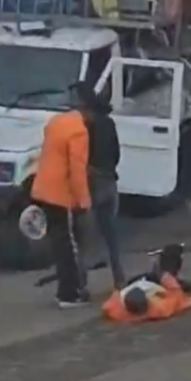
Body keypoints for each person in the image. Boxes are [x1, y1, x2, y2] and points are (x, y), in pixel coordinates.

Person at [30, 105, 91, 306]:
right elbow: (77, 170)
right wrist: (83, 200)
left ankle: (64, 291)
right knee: (69, 245)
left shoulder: (56, 122)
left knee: (58, 242)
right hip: (61, 194)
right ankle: (70, 294)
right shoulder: (79, 132)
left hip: (43, 189)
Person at [76, 82, 125, 291]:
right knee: (111, 237)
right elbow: (116, 154)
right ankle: (119, 279)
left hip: (92, 183)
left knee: (83, 238)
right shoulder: (109, 123)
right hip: (110, 182)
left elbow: (79, 156)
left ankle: (81, 285)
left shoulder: (85, 126)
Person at [101, 244, 191, 323]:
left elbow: (117, 291)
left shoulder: (115, 309)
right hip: (156, 284)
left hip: (140, 281)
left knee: (165, 274)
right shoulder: (161, 309)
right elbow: (177, 294)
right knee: (176, 277)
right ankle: (170, 255)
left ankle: (166, 260)